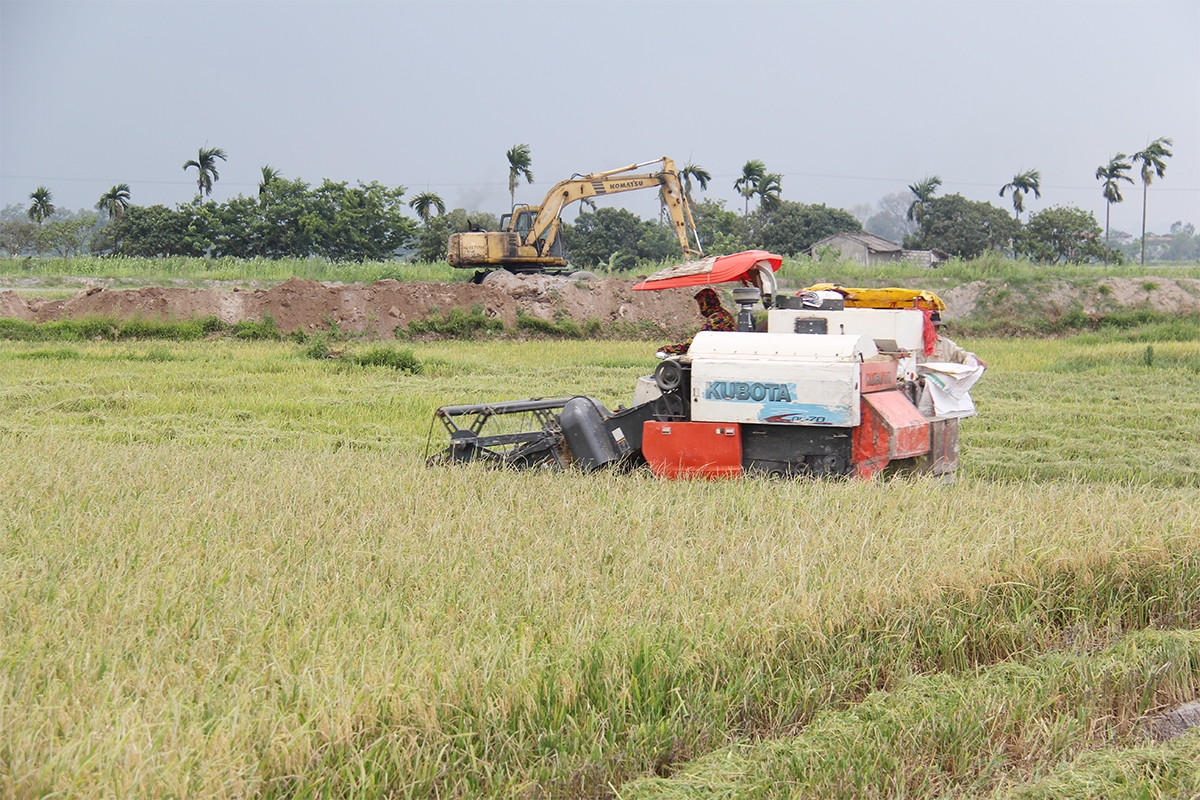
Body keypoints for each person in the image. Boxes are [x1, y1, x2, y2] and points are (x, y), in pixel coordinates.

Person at [658, 288, 736, 356]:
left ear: (708, 302)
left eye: (702, 304)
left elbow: (697, 340)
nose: (701, 308)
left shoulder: (717, 318)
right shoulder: (722, 313)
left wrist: (669, 349)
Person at [922, 311, 986, 368]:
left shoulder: (945, 344)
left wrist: (976, 359)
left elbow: (960, 353)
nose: (934, 329)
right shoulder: (917, 342)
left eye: (937, 327)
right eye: (931, 326)